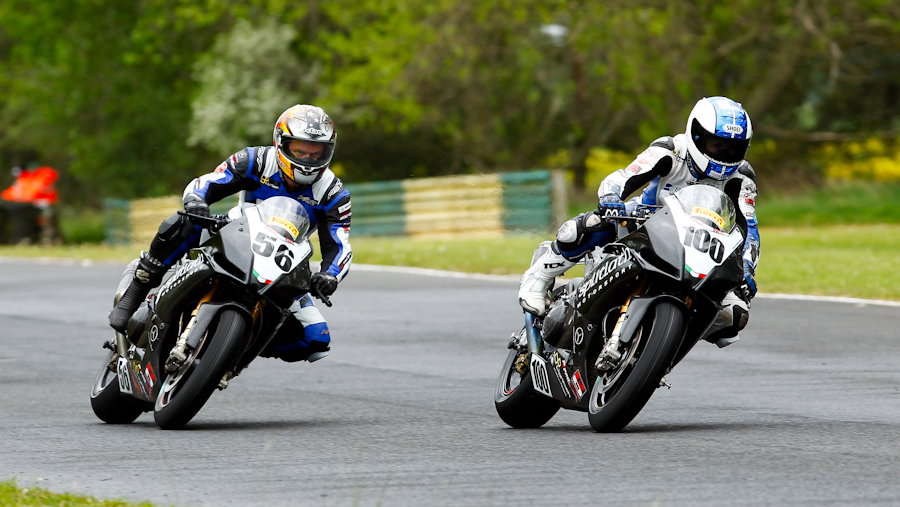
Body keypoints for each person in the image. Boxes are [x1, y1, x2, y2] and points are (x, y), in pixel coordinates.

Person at [108, 104, 352, 362]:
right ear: (280, 142)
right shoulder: (255, 160)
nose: (308, 159)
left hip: (283, 261)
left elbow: (340, 243)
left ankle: (232, 350)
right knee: (184, 223)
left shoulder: (334, 194)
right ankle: (137, 289)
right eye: (300, 150)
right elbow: (208, 182)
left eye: (317, 153)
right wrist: (197, 201)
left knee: (316, 339)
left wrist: (330, 275)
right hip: (236, 233)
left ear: (330, 150)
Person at [518, 96, 760, 347]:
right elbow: (625, 177)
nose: (724, 154)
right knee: (587, 226)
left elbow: (749, 230)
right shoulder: (671, 150)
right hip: (648, 222)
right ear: (696, 135)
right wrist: (611, 198)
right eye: (716, 144)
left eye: (733, 149)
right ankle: (539, 276)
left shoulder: (742, 177)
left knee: (734, 316)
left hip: (701, 245)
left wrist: (747, 269)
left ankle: (662, 349)